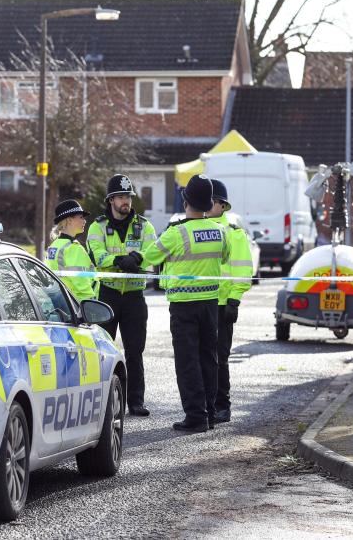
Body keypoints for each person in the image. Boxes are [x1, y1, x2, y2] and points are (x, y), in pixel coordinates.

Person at [139, 174, 228, 433]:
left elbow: (148, 257)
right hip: (211, 303)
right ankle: (210, 414)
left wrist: (130, 260)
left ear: (185, 199)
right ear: (209, 202)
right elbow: (224, 257)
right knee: (208, 360)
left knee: (188, 362)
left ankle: (195, 416)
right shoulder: (220, 232)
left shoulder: (176, 233)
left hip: (184, 304)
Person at [87, 174, 157, 417]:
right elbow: (96, 256)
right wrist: (119, 260)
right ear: (111, 200)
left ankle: (135, 402)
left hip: (135, 298)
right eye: (121, 197)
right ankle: (100, 403)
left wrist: (137, 258)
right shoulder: (97, 227)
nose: (125, 201)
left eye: (128, 196)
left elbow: (153, 251)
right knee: (104, 354)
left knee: (135, 352)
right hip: (108, 295)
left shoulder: (144, 226)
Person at [207, 179, 253, 424]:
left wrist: (234, 300)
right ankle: (206, 405)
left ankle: (222, 405)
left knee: (219, 357)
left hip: (223, 303)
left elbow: (243, 270)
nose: (207, 205)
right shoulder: (195, 227)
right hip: (200, 300)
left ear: (222, 205)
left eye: (211, 201)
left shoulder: (234, 233)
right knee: (202, 356)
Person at [45, 199, 97, 302]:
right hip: (79, 305)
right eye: (81, 217)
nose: (84, 221)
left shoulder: (54, 245)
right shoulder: (73, 248)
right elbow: (81, 283)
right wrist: (91, 303)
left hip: (62, 302)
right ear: (69, 220)